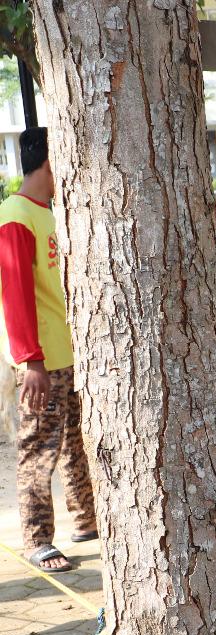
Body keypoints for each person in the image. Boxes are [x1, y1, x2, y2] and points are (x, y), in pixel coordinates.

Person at [0, 127, 96, 572]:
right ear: (51, 160)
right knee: (39, 446)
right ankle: (37, 539)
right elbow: (14, 293)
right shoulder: (15, 215)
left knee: (78, 444)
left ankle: (86, 520)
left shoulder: (49, 213)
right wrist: (31, 360)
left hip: (71, 351)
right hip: (42, 360)